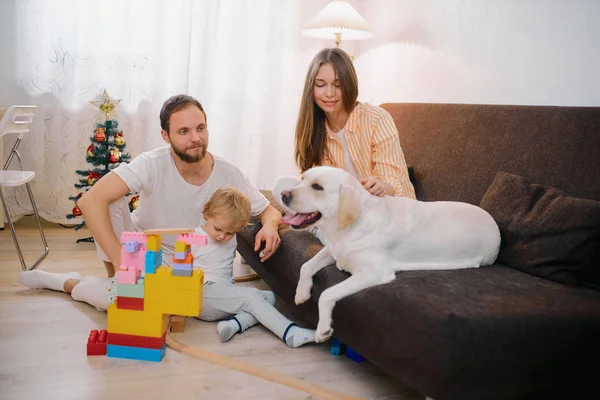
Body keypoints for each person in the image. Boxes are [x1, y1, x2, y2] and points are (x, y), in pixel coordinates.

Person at [19, 187, 316, 348]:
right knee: (254, 298)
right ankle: (290, 333)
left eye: (230, 232)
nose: (223, 237)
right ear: (206, 214)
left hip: (221, 295)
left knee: (266, 298)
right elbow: (178, 271)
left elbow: (261, 217)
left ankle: (235, 324)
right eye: (218, 229)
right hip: (201, 295)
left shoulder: (228, 233)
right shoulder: (192, 237)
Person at [77, 94, 282, 278]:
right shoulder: (151, 163)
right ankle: (116, 280)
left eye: (200, 128)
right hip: (144, 251)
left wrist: (270, 226)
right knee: (109, 200)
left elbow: (268, 211)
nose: (196, 138)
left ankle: (70, 284)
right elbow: (90, 201)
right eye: (184, 131)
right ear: (165, 136)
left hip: (192, 263)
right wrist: (118, 259)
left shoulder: (228, 173)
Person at [294, 47, 415, 199]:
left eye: (338, 85)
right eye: (320, 85)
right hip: (349, 215)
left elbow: (393, 181)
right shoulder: (314, 129)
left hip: (394, 210)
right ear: (311, 88)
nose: (330, 93)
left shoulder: (377, 119)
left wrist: (381, 186)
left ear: (349, 84)